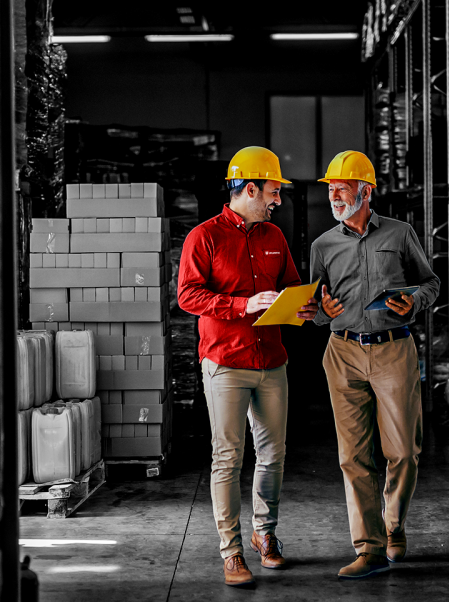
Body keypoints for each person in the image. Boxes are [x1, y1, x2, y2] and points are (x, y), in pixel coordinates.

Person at [177, 146, 319, 587]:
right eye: (273, 192)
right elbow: (188, 296)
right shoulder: (204, 237)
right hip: (226, 361)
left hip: (272, 360)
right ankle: (231, 551)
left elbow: (291, 286)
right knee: (228, 457)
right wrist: (242, 305)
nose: (277, 200)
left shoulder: (275, 237)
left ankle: (265, 534)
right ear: (250, 188)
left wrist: (303, 307)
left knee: (273, 454)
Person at [309, 150, 441, 580]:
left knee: (403, 449)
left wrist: (414, 301)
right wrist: (322, 311)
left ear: (366, 191)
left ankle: (394, 523)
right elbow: (315, 309)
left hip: (392, 349)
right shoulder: (322, 246)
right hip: (342, 351)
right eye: (330, 188)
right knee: (353, 456)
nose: (334, 194)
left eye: (341, 187)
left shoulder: (401, 235)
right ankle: (369, 547)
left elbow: (430, 282)